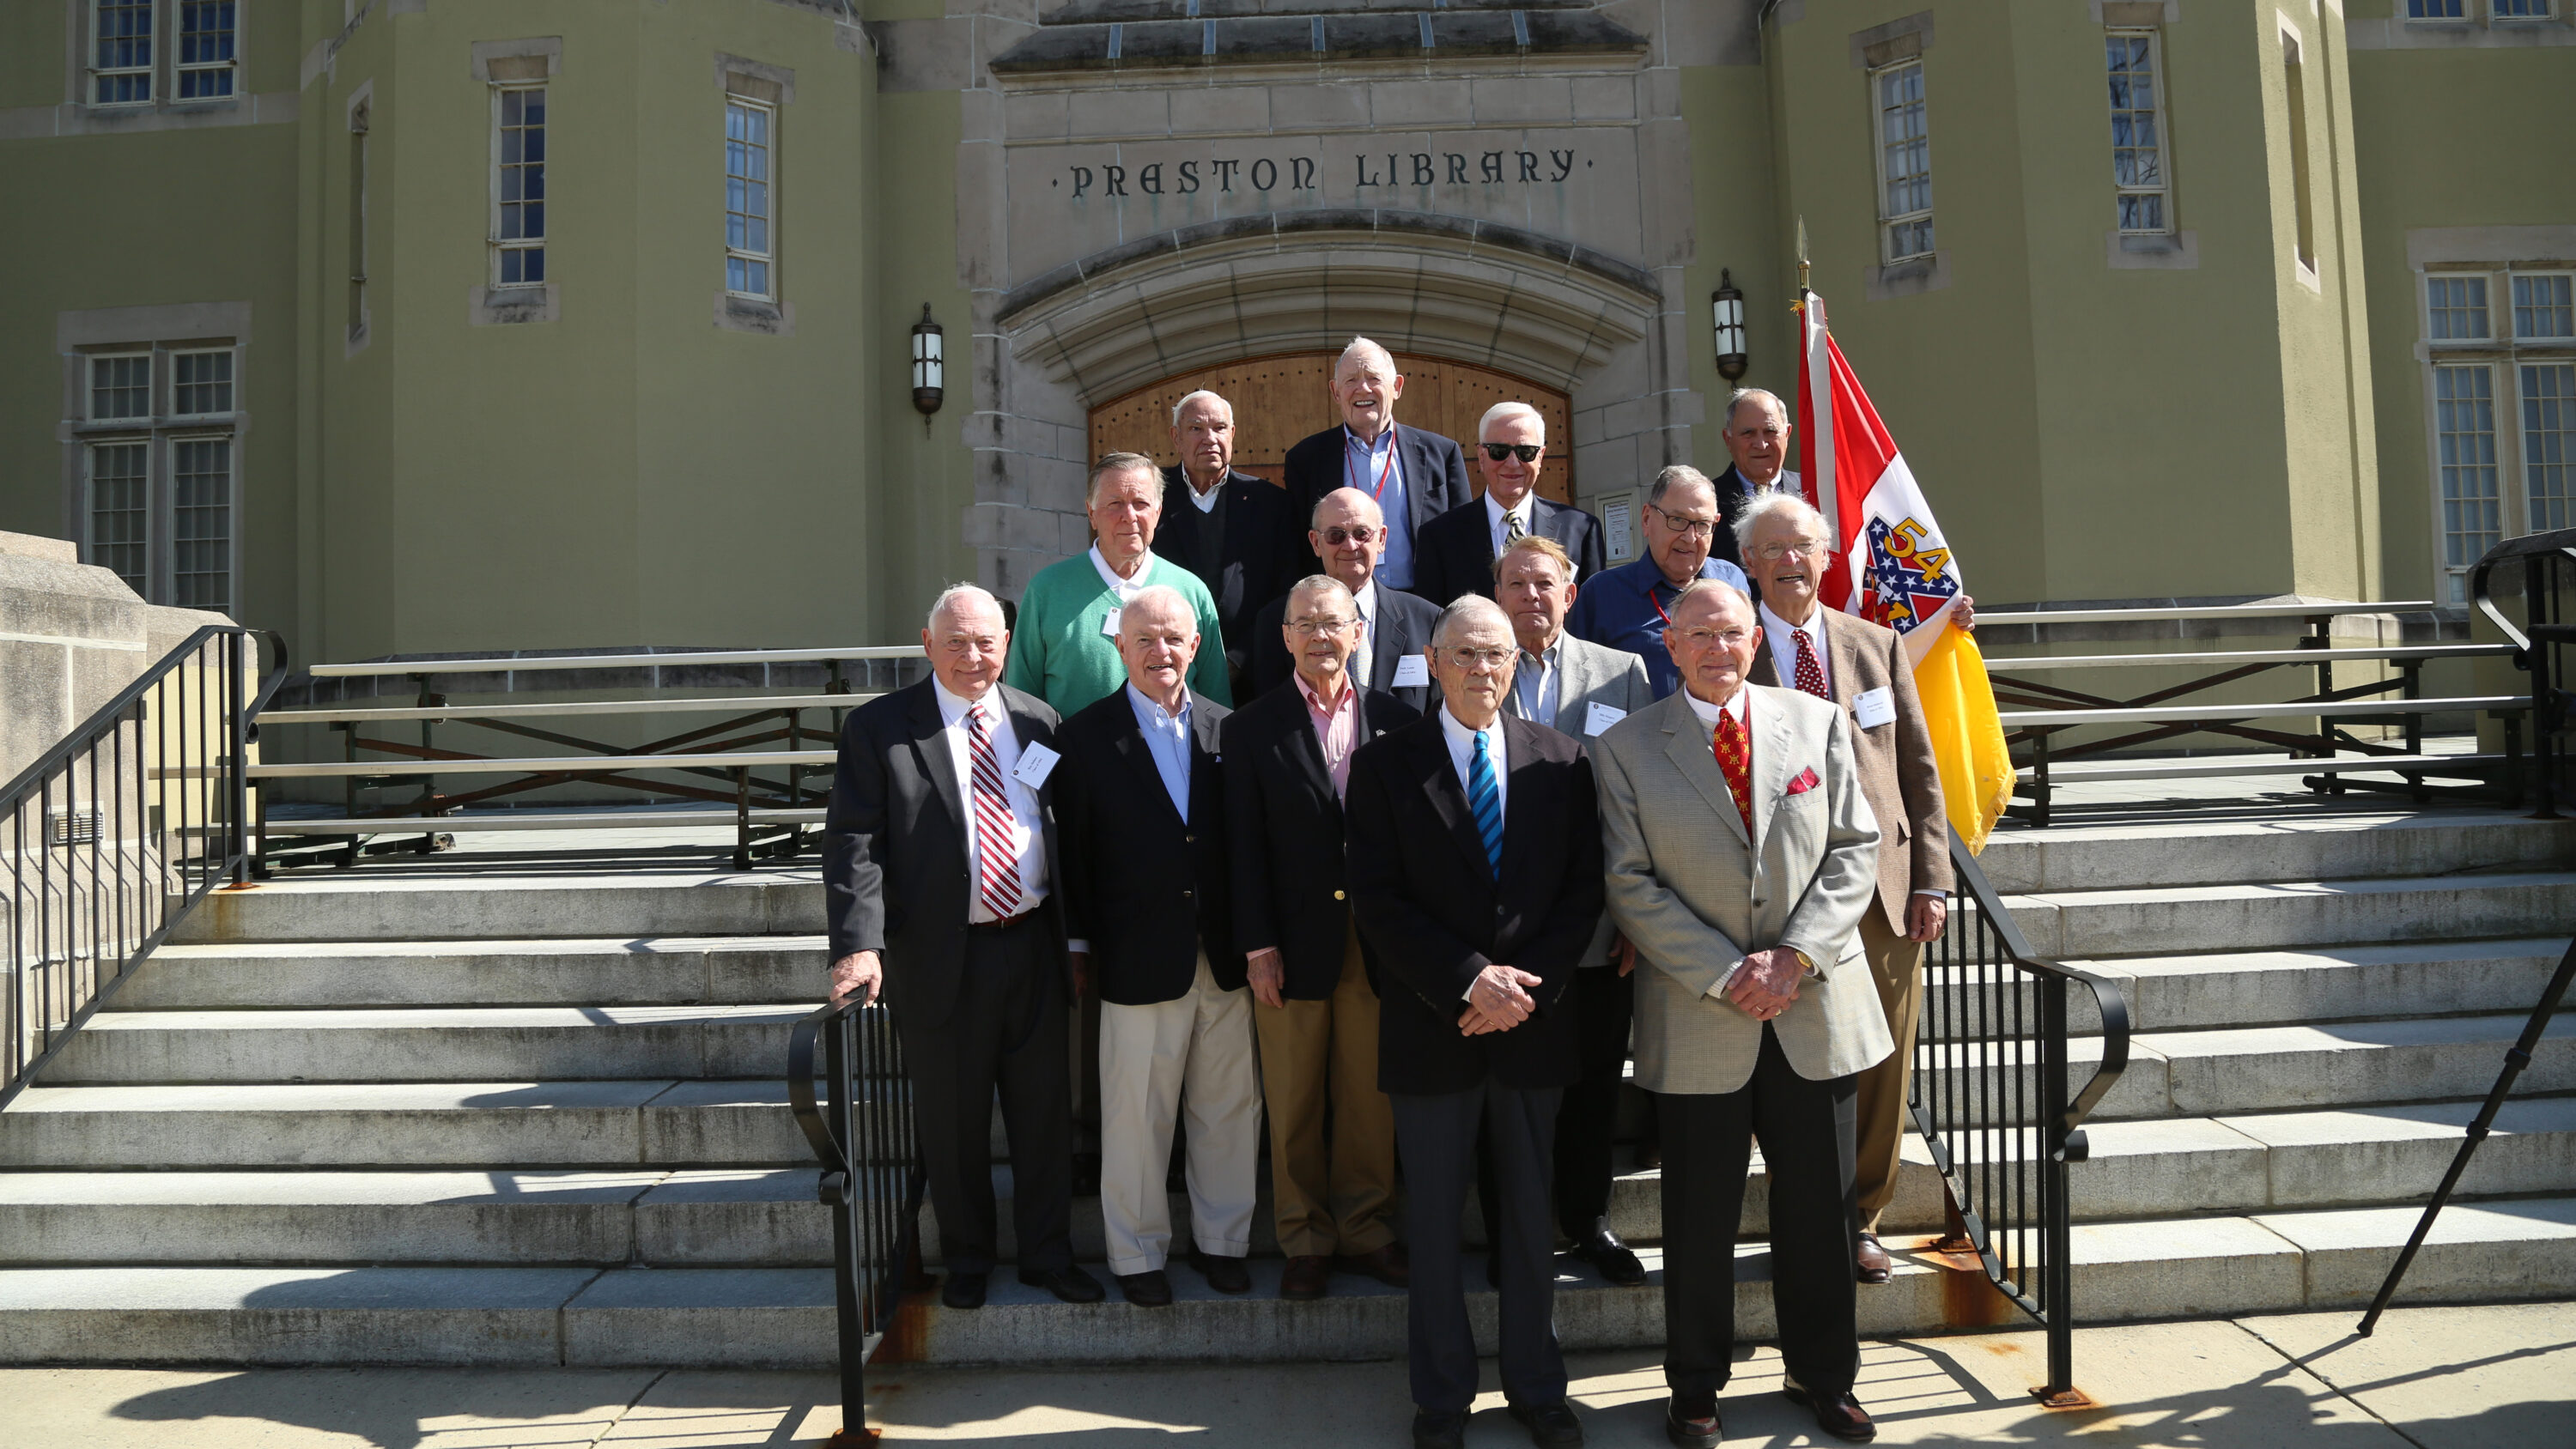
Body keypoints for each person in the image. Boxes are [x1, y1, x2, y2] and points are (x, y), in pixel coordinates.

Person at [1593, 579, 1886, 1447]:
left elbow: (1854, 847)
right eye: (1699, 634)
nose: (1718, 646)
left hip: (1811, 1006)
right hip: (1700, 1013)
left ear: (1752, 640)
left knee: (1819, 1212)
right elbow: (1628, 882)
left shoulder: (1817, 721)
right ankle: (1695, 1388)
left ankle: (1825, 1375)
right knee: (1698, 1215)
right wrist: (1731, 972)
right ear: (1669, 645)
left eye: (1731, 631)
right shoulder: (1627, 748)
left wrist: (1792, 957)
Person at [1345, 594, 1602, 1449]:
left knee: (1532, 1220)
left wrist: (1522, 989)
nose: (1482, 668)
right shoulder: (1385, 766)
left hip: (1532, 1026)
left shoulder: (1561, 761)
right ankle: (1443, 1398)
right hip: (1434, 1025)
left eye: (1496, 654)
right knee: (1433, 1226)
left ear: (1515, 663)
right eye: (1465, 653)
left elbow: (1581, 892)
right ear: (1433, 658)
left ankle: (1537, 1386)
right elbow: (1378, 901)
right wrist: (1467, 982)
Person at [820, 585, 1104, 1310]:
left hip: (1033, 947)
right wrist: (859, 945)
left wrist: (1073, 937)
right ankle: (969, 1257)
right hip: (941, 955)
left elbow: (1064, 834)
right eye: (957, 642)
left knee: (1044, 1115)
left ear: (1007, 644)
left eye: (987, 641)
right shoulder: (881, 729)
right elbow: (854, 842)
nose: (973, 656)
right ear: (926, 643)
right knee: (951, 1119)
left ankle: (1047, 1254)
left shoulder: (1040, 722)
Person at [1738, 492, 1953, 1287]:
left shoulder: (1875, 644)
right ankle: (1801, 1206)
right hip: (1784, 896)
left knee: (1882, 1063)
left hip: (1885, 893)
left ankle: (1861, 1217)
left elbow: (1919, 772)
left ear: (1827, 557)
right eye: (1774, 549)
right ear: (1751, 562)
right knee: (1795, 1066)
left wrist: (1931, 877)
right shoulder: (1733, 646)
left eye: (1805, 547)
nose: (1791, 561)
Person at [1054, 585, 1260, 1307]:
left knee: (1229, 1108)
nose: (1160, 652)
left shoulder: (1230, 730)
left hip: (1224, 956)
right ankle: (1137, 1253)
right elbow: (1073, 856)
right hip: (1136, 956)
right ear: (1119, 648)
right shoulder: (1081, 739)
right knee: (1137, 1114)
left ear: (1195, 646)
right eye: (1144, 640)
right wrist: (1079, 943)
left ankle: (1223, 1241)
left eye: (1173, 638)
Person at [1223, 574, 1419, 1301]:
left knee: (1371, 1100)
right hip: (1290, 947)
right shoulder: (1249, 727)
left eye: (1332, 622)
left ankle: (1367, 1228)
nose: (1319, 635)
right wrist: (1256, 946)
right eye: (1303, 623)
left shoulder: (1400, 721)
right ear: (1284, 638)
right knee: (1294, 1098)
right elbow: (1239, 849)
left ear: (1357, 631)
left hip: (1378, 949)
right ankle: (1304, 1237)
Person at [1490, 535, 1655, 1290]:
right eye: (1515, 582)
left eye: (1543, 582)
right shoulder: (1469, 663)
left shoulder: (1622, 673)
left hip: (1597, 921)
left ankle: (1587, 1221)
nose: (1530, 595)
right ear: (1497, 592)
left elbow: (1646, 803)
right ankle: (1510, 1232)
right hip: (1500, 930)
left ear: (1571, 589)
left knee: (1592, 1083)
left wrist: (1632, 917)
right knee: (1511, 1090)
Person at [1005, 452, 1232, 716]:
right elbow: (1022, 705)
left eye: (1140, 503)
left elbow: (1216, 706)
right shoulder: (1047, 591)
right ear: (1091, 513)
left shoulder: (1190, 592)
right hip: (1076, 756)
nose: (1129, 516)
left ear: (1158, 512)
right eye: (1115, 504)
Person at [1281, 337, 1473, 594]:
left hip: (1423, 608)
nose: (1363, 389)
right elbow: (1298, 550)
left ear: (1397, 386)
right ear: (1335, 392)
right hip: (1339, 608)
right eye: (1350, 380)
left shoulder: (1441, 453)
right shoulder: (1305, 459)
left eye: (1373, 378)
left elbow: (1462, 541)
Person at [1156, 390, 1306, 701]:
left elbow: (1288, 592)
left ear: (1233, 434)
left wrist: (1239, 658)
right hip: (1165, 671)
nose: (1209, 438)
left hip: (1255, 678)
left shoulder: (1271, 504)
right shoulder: (1152, 499)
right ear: (1176, 437)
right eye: (1196, 428)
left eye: (1219, 427)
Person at [1563, 465, 1752, 700]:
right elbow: (1575, 682)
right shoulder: (1602, 594)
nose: (1690, 537)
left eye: (1702, 524)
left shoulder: (1731, 581)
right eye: (1678, 520)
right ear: (1646, 519)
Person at [1247, 488, 1443, 712]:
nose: (1350, 546)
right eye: (1336, 536)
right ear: (1315, 543)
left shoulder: (1428, 620)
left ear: (1381, 539)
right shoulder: (1275, 622)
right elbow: (1269, 715)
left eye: (1362, 534)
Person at [1409, 402, 1606, 606]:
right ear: (1481, 456)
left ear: (1540, 457)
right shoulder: (1439, 536)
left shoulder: (1581, 530)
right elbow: (1432, 620)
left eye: (1526, 451)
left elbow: (1594, 614)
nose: (1512, 463)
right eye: (1498, 451)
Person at [1708, 388, 1801, 573]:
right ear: (1728, 439)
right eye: (1748, 433)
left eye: (1770, 431)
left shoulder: (1816, 492)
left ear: (1787, 434)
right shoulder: (1707, 504)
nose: (1761, 444)